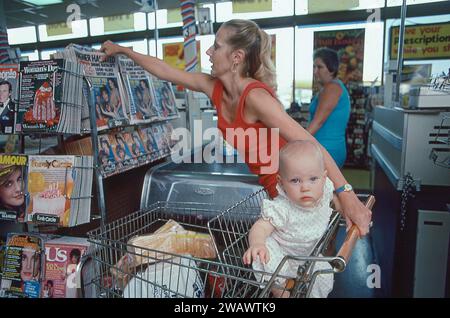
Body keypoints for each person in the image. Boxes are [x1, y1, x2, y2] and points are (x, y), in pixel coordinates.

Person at [100, 19, 371, 235]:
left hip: (298, 191)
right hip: (276, 191)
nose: (208, 51)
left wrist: (346, 194)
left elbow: (310, 144)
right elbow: (166, 71)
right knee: (279, 272)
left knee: (284, 272)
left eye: (216, 46)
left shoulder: (255, 98)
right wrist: (124, 51)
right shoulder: (213, 87)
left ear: (236, 57)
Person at [243, 141, 339, 298]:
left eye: (313, 179)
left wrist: (349, 211)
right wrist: (257, 243)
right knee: (264, 256)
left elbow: (340, 202)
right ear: (281, 183)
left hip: (308, 256)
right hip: (282, 253)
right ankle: (278, 290)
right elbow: (261, 227)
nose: (305, 187)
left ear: (324, 178)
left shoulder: (325, 192)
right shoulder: (282, 207)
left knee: (324, 275)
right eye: (295, 181)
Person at [307, 48, 351, 168]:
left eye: (320, 67)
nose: (315, 71)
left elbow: (318, 122)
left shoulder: (332, 88)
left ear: (331, 69)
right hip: (324, 148)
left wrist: (297, 143)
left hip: (327, 150)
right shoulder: (328, 88)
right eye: (314, 67)